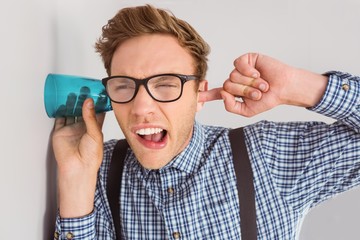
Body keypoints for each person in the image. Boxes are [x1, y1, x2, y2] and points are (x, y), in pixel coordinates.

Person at [51, 4, 360, 240]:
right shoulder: (99, 172)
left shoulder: (266, 156)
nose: (141, 107)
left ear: (199, 93)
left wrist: (297, 86)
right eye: (124, 85)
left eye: (167, 84)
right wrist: (75, 178)